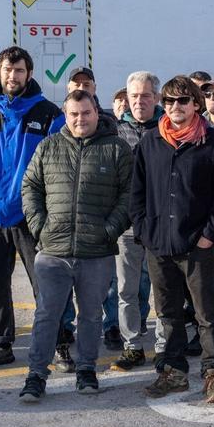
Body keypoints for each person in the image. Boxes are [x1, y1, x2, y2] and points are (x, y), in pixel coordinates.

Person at [0, 46, 70, 371]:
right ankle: (0, 344)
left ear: (29, 74)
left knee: (46, 283)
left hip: (32, 217)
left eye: (19, 70)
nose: (13, 76)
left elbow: (60, 165)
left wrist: (46, 207)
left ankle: (60, 344)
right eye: (8, 70)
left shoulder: (48, 114)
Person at [18, 90, 132, 402]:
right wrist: (40, 227)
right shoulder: (49, 146)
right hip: (53, 251)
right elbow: (30, 187)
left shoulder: (117, 149)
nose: (80, 119)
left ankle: (86, 370)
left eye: (86, 113)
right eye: (73, 114)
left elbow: (129, 194)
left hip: (96, 251)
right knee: (47, 314)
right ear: (65, 116)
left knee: (91, 315)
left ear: (97, 112)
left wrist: (109, 229)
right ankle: (36, 375)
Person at [129, 76, 214, 401]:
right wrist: (145, 232)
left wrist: (208, 236)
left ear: (196, 105)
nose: (176, 107)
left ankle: (213, 374)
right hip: (158, 244)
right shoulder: (150, 142)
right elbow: (136, 193)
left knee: (206, 314)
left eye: (183, 101)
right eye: (170, 101)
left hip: (197, 245)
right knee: (168, 313)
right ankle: (173, 372)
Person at [109, 71, 162, 368]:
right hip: (128, 226)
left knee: (165, 291)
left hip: (161, 225)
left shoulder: (169, 129)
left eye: (145, 95)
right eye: (134, 96)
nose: (139, 101)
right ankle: (132, 345)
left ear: (155, 97)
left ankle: (165, 347)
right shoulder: (116, 132)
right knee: (127, 289)